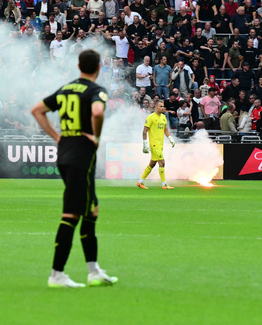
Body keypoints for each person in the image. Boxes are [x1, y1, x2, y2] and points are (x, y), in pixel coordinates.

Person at [31, 49, 117, 288]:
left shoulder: (66, 88)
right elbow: (97, 112)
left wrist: (57, 137)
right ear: (98, 67)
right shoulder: (96, 90)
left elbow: (36, 110)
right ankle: (57, 274)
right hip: (82, 154)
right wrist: (96, 136)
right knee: (71, 214)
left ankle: (94, 270)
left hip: (65, 151)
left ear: (79, 66)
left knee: (91, 209)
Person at [137, 100, 176, 189]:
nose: (163, 108)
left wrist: (170, 139)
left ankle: (140, 182)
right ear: (156, 107)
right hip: (154, 144)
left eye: (163, 106)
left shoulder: (163, 117)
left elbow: (165, 129)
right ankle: (164, 184)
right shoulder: (150, 117)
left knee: (152, 163)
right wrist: (145, 144)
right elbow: (144, 131)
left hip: (160, 144)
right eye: (161, 106)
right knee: (162, 162)